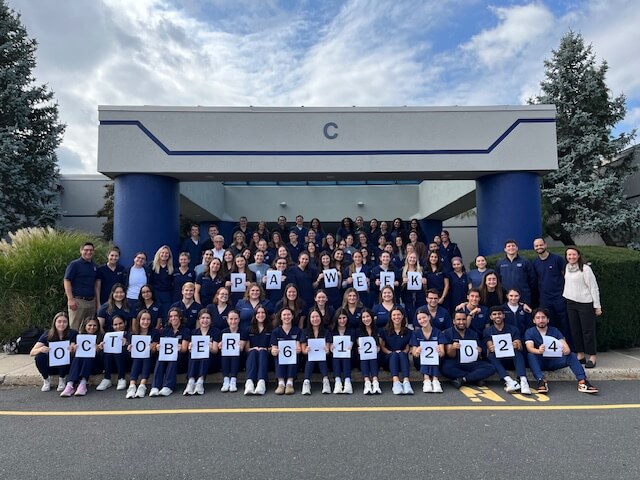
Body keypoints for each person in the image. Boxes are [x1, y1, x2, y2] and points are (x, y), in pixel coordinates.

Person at [525, 308, 598, 394]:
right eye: (538, 318)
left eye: (543, 317)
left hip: (554, 361)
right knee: (531, 355)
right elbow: (529, 347)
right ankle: (541, 381)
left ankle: (582, 381)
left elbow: (565, 345)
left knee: (571, 355)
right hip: (540, 361)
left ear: (548, 320)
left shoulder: (554, 331)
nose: (541, 320)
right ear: (534, 320)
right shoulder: (530, 332)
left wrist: (566, 350)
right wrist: (539, 351)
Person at [563, 247, 602, 368]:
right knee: (575, 330)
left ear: (578, 255)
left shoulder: (585, 269)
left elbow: (593, 287)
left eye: (574, 255)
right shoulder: (567, 268)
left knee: (587, 331)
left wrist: (597, 306)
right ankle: (580, 355)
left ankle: (592, 356)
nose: (571, 257)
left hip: (585, 303)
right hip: (571, 303)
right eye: (569, 255)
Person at [441, 311, 495, 388]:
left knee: (491, 367)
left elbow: (478, 355)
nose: (461, 322)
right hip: (455, 362)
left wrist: (479, 351)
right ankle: (475, 378)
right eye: (458, 319)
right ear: (454, 321)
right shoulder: (447, 333)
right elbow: (450, 355)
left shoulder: (473, 334)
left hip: (471, 362)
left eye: (464, 319)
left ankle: (464, 379)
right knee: (445, 368)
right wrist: (452, 348)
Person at [484, 306, 531, 394]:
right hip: (499, 360)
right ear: (491, 317)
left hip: (511, 359)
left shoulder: (513, 329)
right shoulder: (488, 331)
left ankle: (523, 380)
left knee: (517, 352)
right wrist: (492, 347)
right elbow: (489, 345)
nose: (497, 316)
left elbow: (519, 345)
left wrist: (516, 344)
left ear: (503, 315)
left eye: (499, 314)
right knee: (491, 355)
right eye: (494, 314)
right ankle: (509, 380)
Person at [31, 312, 78, 392]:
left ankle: (62, 378)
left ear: (68, 323)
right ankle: (46, 379)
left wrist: (73, 349)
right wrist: (41, 349)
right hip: (51, 365)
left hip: (66, 366)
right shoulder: (48, 334)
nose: (62, 324)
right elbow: (32, 352)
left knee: (67, 354)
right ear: (55, 323)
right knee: (39, 357)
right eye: (59, 321)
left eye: (64, 322)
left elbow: (75, 347)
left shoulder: (73, 333)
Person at [149, 307, 191, 397]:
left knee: (173, 357)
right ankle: (155, 386)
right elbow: (160, 345)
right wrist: (158, 346)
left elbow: (184, 349)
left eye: (176, 316)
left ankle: (168, 386)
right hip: (165, 359)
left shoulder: (186, 330)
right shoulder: (165, 330)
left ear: (180, 317)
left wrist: (180, 347)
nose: (173, 318)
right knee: (160, 358)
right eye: (171, 316)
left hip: (180, 360)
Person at [533, 238, 569, 338]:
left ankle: (569, 347)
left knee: (564, 322)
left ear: (545, 245)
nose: (539, 247)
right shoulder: (535, 262)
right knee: (549, 323)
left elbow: (566, 276)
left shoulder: (557, 259)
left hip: (560, 297)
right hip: (545, 298)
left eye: (541, 245)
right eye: (536, 246)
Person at [61, 317, 103, 397]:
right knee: (78, 358)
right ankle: (70, 385)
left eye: (95, 325)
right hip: (81, 365)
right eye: (89, 325)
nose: (92, 327)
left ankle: (83, 383)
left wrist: (98, 350)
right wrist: (74, 349)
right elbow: (73, 354)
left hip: (95, 366)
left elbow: (103, 357)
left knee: (88, 356)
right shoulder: (79, 337)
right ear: (85, 326)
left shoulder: (101, 337)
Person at [63, 242, 99, 331]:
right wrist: (70, 299)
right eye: (86, 250)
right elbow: (67, 281)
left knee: (89, 329)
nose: (88, 252)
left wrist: (97, 302)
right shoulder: (74, 264)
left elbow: (96, 285)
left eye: (91, 250)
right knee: (74, 328)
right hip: (78, 301)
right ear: (81, 251)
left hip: (91, 302)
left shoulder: (94, 266)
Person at [125, 310, 160, 398]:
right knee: (137, 359)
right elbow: (130, 352)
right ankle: (132, 385)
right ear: (138, 320)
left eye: (148, 319)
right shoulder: (132, 334)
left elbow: (155, 349)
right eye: (143, 319)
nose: (145, 322)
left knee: (146, 357)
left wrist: (154, 346)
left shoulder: (155, 332)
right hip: (135, 360)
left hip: (150, 358)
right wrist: (129, 348)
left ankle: (142, 385)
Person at [379, 307, 414, 395]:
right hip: (388, 360)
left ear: (402, 316)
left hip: (402, 360)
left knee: (402, 354)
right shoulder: (384, 331)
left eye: (398, 314)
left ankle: (406, 382)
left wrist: (402, 352)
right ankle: (396, 382)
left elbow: (408, 347)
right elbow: (382, 346)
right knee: (395, 355)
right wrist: (391, 353)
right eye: (394, 315)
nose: (396, 317)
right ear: (391, 317)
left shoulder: (409, 332)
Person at [410, 309, 444, 393]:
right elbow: (414, 353)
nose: (422, 320)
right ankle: (426, 380)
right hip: (420, 361)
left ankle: (435, 380)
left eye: (424, 317)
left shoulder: (438, 332)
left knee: (434, 356)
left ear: (429, 317)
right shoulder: (415, 333)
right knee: (425, 356)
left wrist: (439, 352)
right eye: (419, 319)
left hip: (435, 360)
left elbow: (442, 353)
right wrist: (417, 351)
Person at [270, 307, 302, 395]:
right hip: (281, 356)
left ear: (292, 317)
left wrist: (298, 349)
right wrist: (274, 351)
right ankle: (281, 383)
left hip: (292, 356)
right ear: (280, 317)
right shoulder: (275, 332)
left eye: (288, 315)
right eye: (284, 315)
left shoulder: (297, 331)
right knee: (278, 356)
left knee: (294, 356)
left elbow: (298, 345)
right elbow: (273, 347)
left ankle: (289, 382)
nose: (286, 317)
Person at [301, 308, 332, 395]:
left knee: (321, 358)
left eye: (317, 316)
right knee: (310, 360)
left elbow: (328, 348)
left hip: (323, 360)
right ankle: (306, 382)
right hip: (308, 360)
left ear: (321, 318)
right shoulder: (305, 331)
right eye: (313, 317)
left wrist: (327, 349)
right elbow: (303, 350)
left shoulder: (326, 332)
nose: (315, 319)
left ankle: (326, 381)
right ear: (309, 319)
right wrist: (306, 350)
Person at [495, 239, 536, 305]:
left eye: (513, 246)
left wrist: (527, 291)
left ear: (517, 248)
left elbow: (532, 279)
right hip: (505, 297)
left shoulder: (525, 262)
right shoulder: (500, 263)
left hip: (523, 297)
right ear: (505, 249)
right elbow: (497, 280)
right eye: (508, 246)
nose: (511, 247)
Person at [95, 314, 129, 392]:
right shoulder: (108, 336)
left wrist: (126, 344)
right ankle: (107, 378)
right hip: (110, 365)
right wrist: (101, 347)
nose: (118, 326)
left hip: (125, 364)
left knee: (118, 352)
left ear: (125, 323)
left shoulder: (129, 334)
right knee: (107, 352)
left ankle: (121, 378)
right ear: (112, 326)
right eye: (115, 324)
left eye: (120, 323)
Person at [244, 305, 272, 395]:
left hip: (267, 356)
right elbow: (247, 348)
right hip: (253, 357)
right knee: (253, 352)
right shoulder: (249, 329)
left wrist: (265, 349)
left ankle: (261, 382)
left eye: (263, 312)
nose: (261, 315)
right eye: (258, 313)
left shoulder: (271, 329)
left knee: (262, 352)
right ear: (255, 315)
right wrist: (253, 349)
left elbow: (273, 347)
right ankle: (249, 383)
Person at [218, 310, 247, 393]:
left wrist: (241, 346)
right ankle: (226, 380)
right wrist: (220, 346)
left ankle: (233, 380)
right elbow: (219, 346)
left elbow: (242, 348)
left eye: (235, 319)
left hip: (239, 358)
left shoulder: (243, 331)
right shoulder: (223, 332)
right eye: (231, 319)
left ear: (239, 320)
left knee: (235, 354)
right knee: (224, 354)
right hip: (226, 358)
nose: (233, 321)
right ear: (227, 320)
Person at [329, 308, 355, 394]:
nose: (342, 320)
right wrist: (330, 346)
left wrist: (351, 345)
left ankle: (347, 381)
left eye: (344, 318)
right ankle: (338, 381)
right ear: (336, 319)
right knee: (335, 357)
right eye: (339, 318)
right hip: (335, 357)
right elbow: (328, 343)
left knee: (346, 357)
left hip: (349, 357)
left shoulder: (351, 330)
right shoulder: (332, 330)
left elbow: (353, 342)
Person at [358, 309, 382, 394]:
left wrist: (378, 347)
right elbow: (357, 345)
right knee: (364, 358)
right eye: (363, 317)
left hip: (376, 356)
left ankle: (375, 382)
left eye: (367, 316)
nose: (366, 319)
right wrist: (358, 349)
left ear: (371, 317)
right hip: (362, 357)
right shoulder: (358, 331)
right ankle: (367, 382)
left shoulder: (377, 329)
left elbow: (381, 343)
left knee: (373, 357)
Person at [149, 245, 175, 321]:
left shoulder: (171, 267)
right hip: (155, 293)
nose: (164, 255)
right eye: (162, 252)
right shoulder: (152, 266)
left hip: (167, 294)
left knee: (166, 314)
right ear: (159, 254)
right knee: (155, 315)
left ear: (169, 255)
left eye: (167, 253)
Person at [400, 251, 427, 323]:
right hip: (407, 297)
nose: (412, 259)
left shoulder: (421, 270)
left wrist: (424, 283)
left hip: (419, 296)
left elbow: (425, 288)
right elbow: (399, 288)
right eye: (411, 257)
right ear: (407, 259)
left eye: (414, 258)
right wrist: (403, 282)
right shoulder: (402, 270)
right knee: (410, 316)